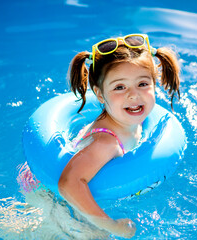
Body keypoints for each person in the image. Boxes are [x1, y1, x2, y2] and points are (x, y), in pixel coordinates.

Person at [58, 33, 181, 238]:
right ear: (99, 94)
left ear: (154, 83)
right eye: (120, 87)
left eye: (142, 84)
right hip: (60, 207)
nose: (133, 95)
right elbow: (68, 184)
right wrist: (112, 226)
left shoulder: (131, 118)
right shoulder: (107, 143)